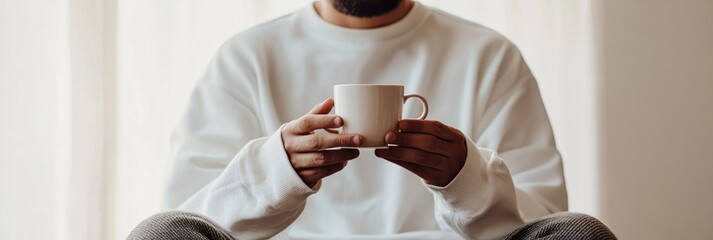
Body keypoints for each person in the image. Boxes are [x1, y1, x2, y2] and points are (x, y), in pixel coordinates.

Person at [129, 0, 617, 239]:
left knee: (579, 234)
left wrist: (466, 179)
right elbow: (187, 217)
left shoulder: (487, 55)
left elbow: (546, 215)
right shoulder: (246, 58)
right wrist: (276, 171)